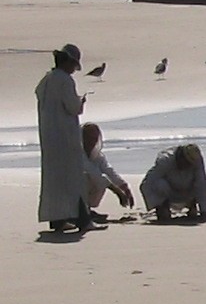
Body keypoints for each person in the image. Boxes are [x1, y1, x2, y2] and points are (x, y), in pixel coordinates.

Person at [35, 44, 103, 232]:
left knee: (54, 182)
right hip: (65, 139)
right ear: (67, 62)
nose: (74, 69)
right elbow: (72, 107)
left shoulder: (46, 79)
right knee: (74, 181)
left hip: (49, 139)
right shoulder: (65, 81)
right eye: (73, 64)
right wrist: (81, 102)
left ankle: (57, 220)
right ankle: (83, 221)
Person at [141, 144, 206, 222]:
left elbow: (201, 184)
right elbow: (147, 183)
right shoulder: (165, 160)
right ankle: (163, 207)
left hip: (188, 192)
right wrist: (155, 203)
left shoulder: (197, 160)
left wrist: (203, 212)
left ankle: (192, 204)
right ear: (181, 156)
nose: (187, 165)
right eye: (186, 162)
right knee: (159, 184)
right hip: (169, 194)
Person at [82, 122, 133, 222]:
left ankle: (86, 210)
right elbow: (94, 173)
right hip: (70, 191)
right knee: (94, 179)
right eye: (88, 137)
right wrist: (117, 191)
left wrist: (124, 187)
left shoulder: (97, 155)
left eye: (95, 137)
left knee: (104, 179)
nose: (92, 141)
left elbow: (108, 170)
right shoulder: (77, 154)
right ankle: (79, 212)